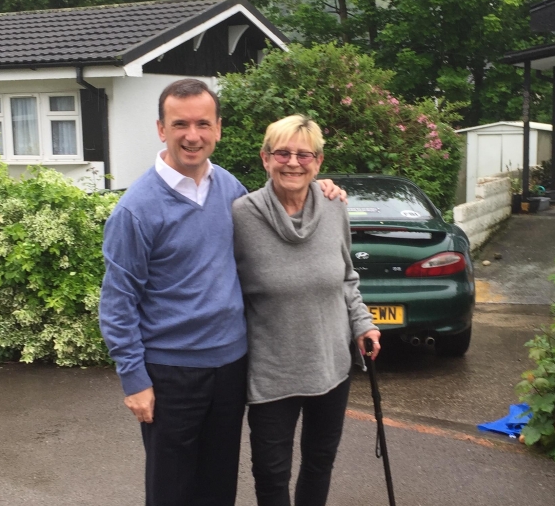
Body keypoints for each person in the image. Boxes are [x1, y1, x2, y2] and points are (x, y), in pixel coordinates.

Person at [99, 80, 344, 506]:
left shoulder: (229, 190)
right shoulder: (135, 209)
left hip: (231, 366)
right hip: (171, 372)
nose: (192, 135)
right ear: (161, 129)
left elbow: (281, 208)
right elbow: (118, 301)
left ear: (218, 129)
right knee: (173, 489)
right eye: (180, 124)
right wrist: (134, 379)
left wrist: (324, 190)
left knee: (218, 486)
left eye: (202, 124)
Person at [231, 114, 382, 506]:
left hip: (330, 366)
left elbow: (347, 275)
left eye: (304, 154)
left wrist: (363, 323)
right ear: (265, 159)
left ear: (318, 162)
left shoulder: (334, 208)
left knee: (319, 462)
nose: (293, 162)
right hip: (271, 373)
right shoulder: (241, 216)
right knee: (270, 473)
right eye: (282, 153)